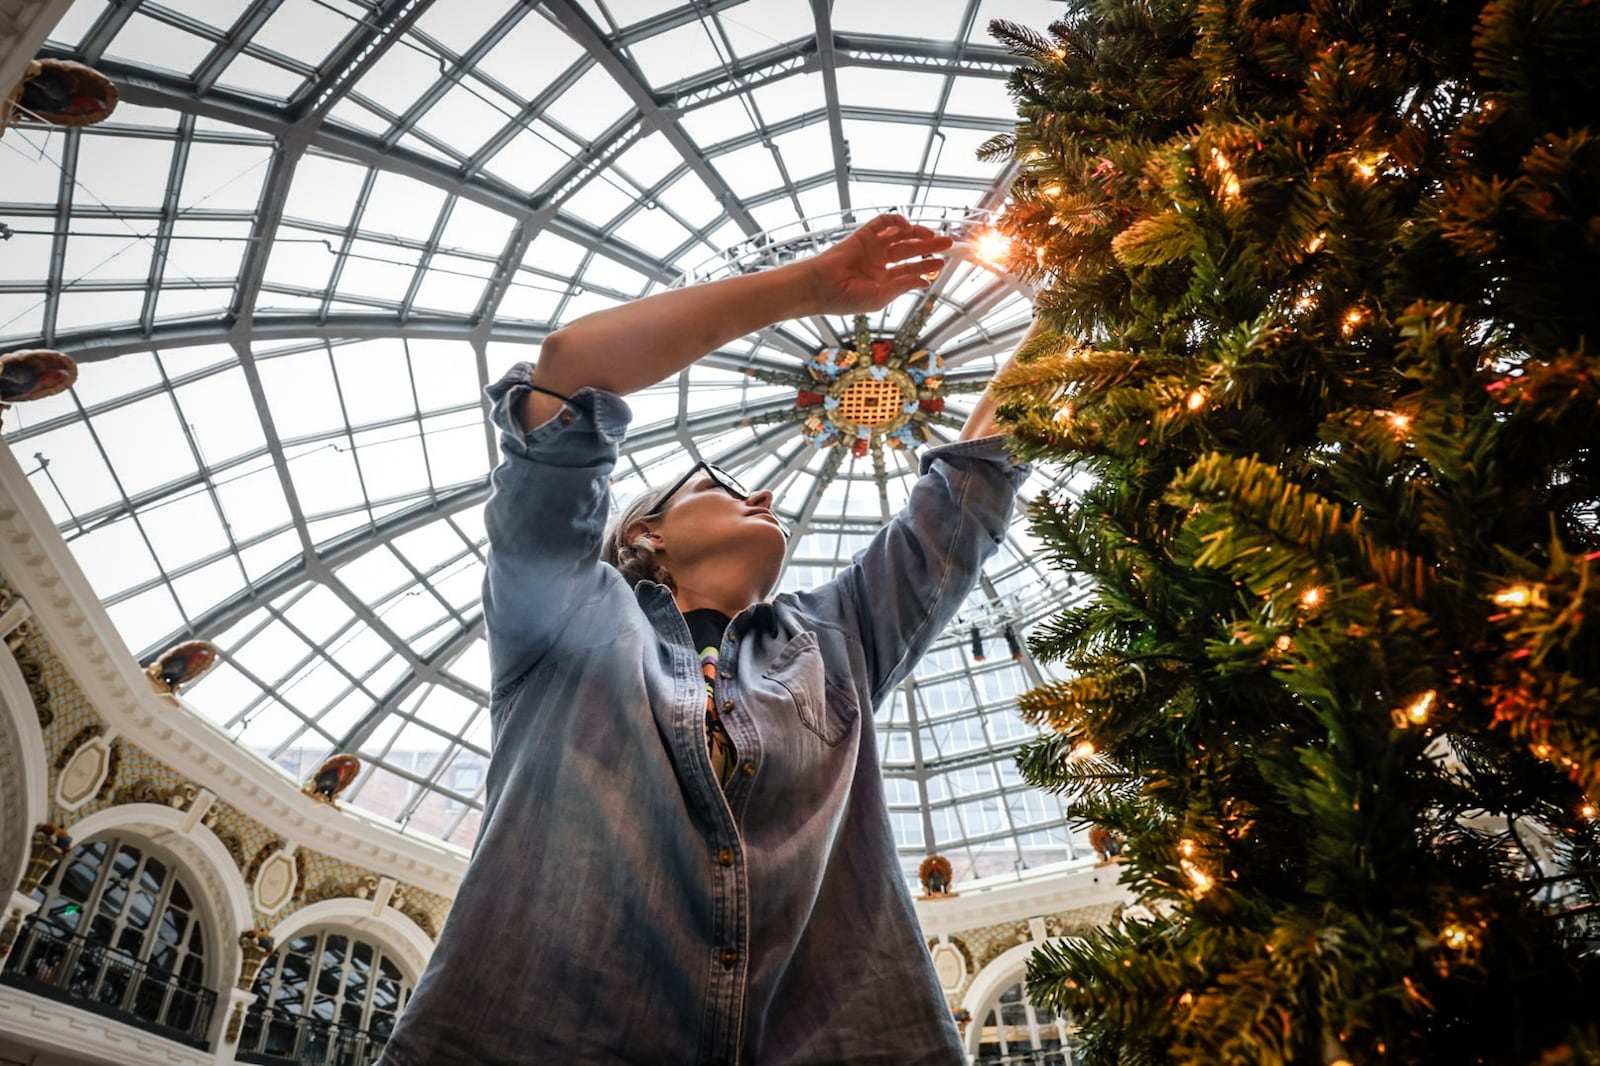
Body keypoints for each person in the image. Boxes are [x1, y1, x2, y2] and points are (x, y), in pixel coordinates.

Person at [376, 214, 1033, 1066]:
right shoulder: (563, 607)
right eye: (720, 486)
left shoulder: (839, 638)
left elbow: (973, 480)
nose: (759, 491)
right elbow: (571, 370)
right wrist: (809, 288)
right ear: (645, 533)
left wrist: (1079, 309)